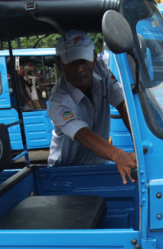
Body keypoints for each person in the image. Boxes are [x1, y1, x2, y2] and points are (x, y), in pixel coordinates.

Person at [47, 30, 136, 185]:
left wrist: (140, 141)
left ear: (94, 58)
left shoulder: (100, 68)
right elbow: (83, 134)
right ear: (59, 63)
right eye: (72, 63)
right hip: (66, 174)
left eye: (84, 61)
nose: (80, 69)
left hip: (100, 165)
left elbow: (122, 104)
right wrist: (119, 156)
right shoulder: (58, 101)